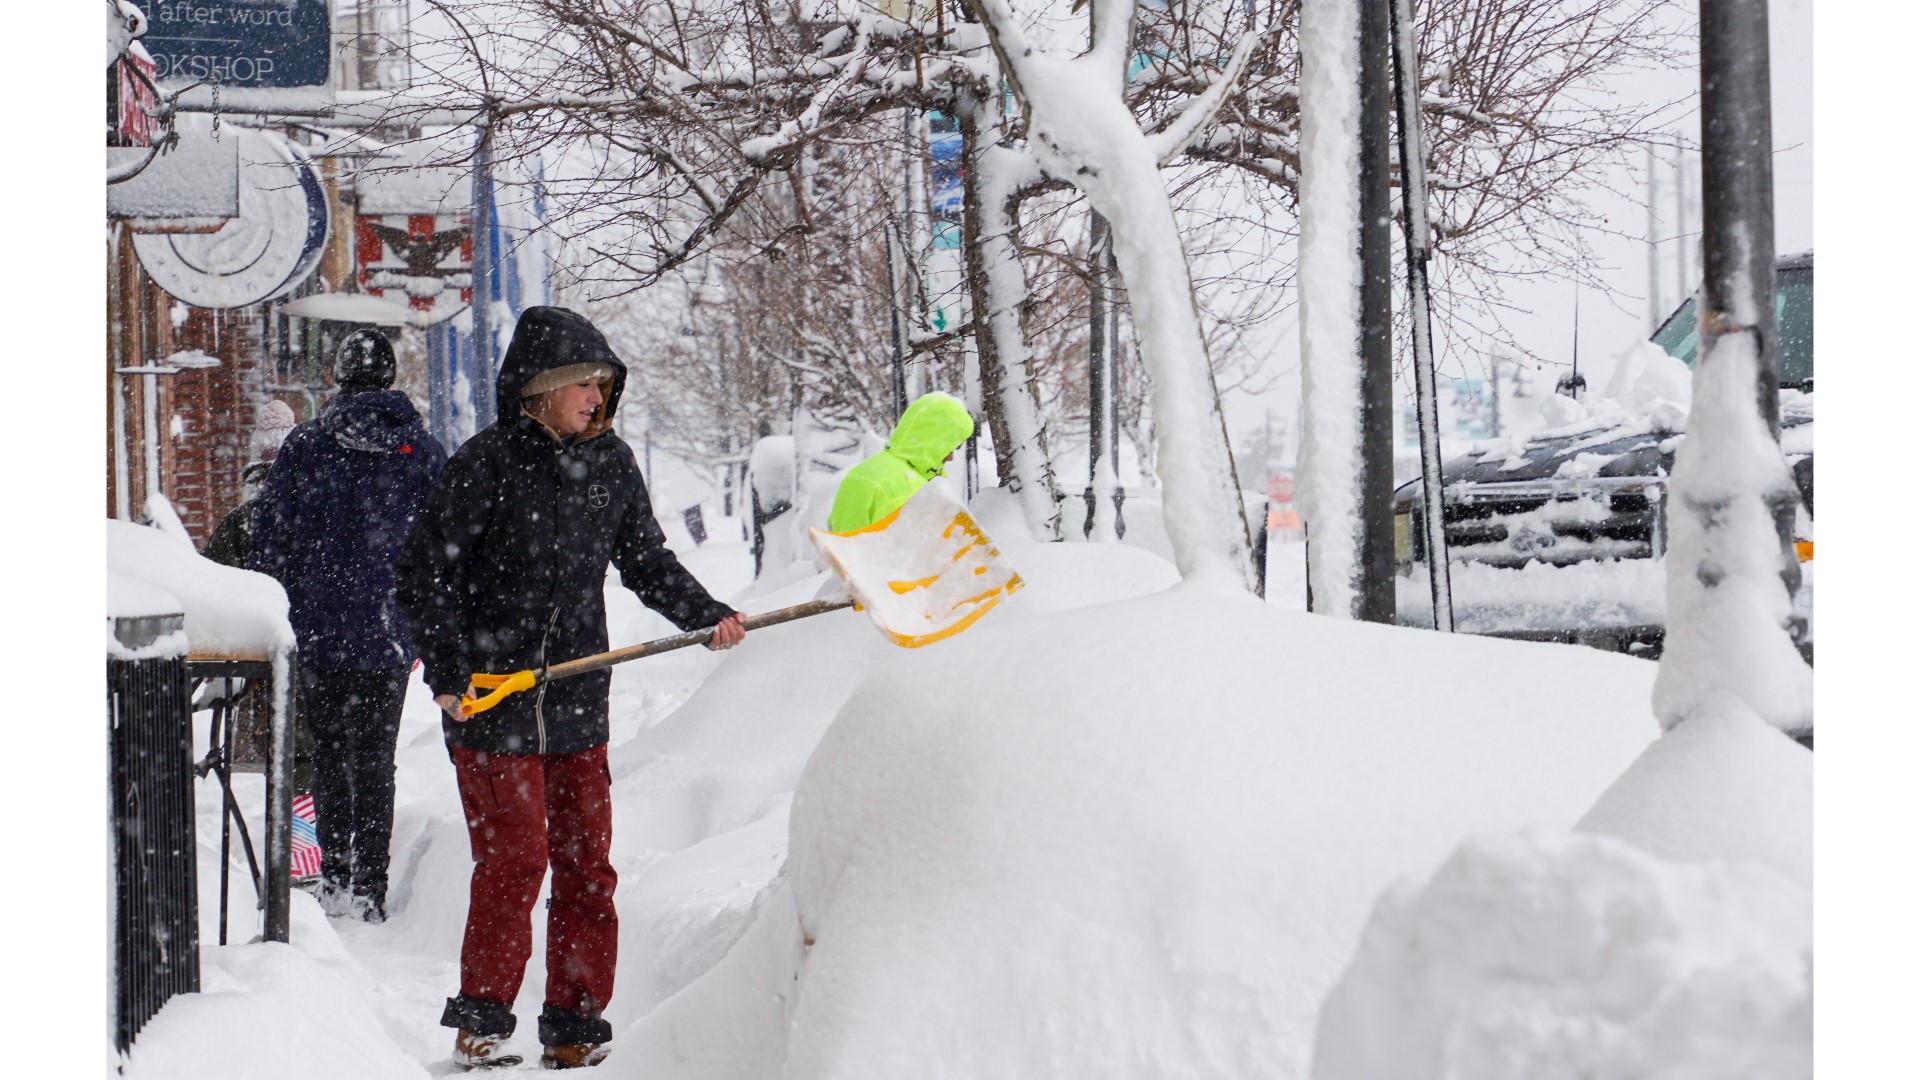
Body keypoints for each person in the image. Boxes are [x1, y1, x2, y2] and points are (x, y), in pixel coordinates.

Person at [395, 306, 746, 1071]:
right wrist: (452, 675)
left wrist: (706, 614)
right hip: (493, 700)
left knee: (589, 866)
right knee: (516, 862)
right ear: (540, 389)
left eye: (604, 385)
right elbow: (426, 574)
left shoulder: (611, 465)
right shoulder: (484, 465)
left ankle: (576, 1028)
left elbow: (646, 562)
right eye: (583, 383)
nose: (598, 395)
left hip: (579, 703)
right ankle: (483, 1022)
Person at [250, 330, 447, 923]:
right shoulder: (423, 450)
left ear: (339, 376)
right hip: (388, 630)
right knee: (376, 758)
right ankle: (371, 885)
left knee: (331, 755)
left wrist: (286, 603)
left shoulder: (306, 445)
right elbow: (445, 548)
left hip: (318, 630)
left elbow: (270, 538)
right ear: (389, 377)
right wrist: (419, 622)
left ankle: (334, 875)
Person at [825, 390, 976, 533]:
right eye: (949, 448)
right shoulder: (911, 489)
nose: (951, 457)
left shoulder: (862, 471)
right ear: (934, 441)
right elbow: (910, 554)